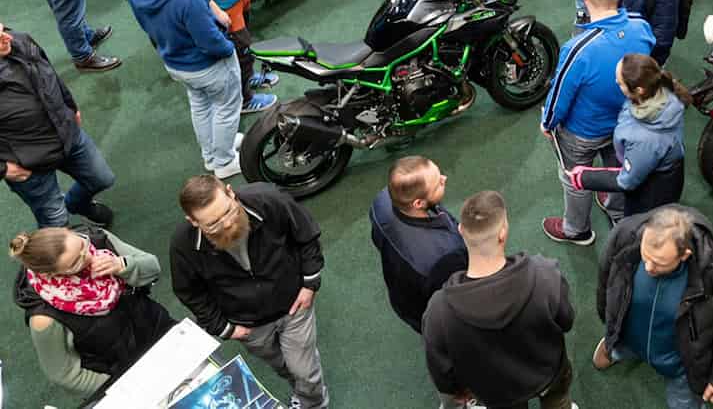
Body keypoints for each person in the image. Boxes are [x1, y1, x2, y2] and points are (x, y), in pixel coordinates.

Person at [171, 176, 330, 409]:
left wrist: (309, 283)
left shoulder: (269, 200)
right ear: (193, 221)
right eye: (213, 224)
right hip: (248, 325)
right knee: (284, 367)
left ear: (230, 192)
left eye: (228, 211)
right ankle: (302, 391)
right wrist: (223, 328)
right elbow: (189, 291)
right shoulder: (182, 245)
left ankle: (314, 404)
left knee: (304, 371)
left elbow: (306, 233)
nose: (227, 224)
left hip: (294, 306)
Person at [423, 190, 577, 408]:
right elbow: (566, 320)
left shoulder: (439, 310)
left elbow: (441, 368)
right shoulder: (545, 275)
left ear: (461, 230)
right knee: (558, 403)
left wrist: (456, 389)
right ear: (503, 232)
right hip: (548, 373)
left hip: (497, 391)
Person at [541, 0, 656, 245]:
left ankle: (576, 229)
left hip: (582, 132)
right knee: (617, 169)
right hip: (625, 123)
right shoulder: (641, 27)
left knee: (575, 178)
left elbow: (560, 94)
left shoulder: (578, 48)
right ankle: (617, 211)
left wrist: (548, 123)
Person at [594, 206, 713, 408]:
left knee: (683, 404)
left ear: (684, 255)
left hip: (679, 364)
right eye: (645, 256)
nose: (648, 268)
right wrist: (610, 326)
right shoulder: (625, 235)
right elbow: (606, 282)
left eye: (659, 263)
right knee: (621, 344)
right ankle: (616, 349)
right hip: (630, 336)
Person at [126, 0, 243, 177]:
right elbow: (210, 42)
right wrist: (229, 47)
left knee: (201, 105)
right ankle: (224, 162)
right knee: (226, 109)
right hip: (207, 66)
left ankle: (212, 153)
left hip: (175, 63)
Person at [10, 225, 175, 399]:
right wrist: (121, 387)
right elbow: (64, 374)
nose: (89, 256)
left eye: (83, 245)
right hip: (123, 374)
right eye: (75, 262)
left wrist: (122, 265)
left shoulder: (97, 238)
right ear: (50, 274)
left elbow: (153, 268)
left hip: (160, 331)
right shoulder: (44, 319)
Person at [0, 14, 118, 230]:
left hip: (67, 133)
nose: (7, 37)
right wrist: (4, 169)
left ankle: (76, 204)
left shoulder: (20, 40)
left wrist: (70, 106)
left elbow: (49, 73)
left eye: (2, 29)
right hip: (27, 164)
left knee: (101, 178)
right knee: (56, 222)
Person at [564, 52, 689, 215]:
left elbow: (627, 181)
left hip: (651, 192)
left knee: (637, 223)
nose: (616, 81)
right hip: (654, 170)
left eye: (620, 82)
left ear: (638, 90)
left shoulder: (646, 139)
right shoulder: (659, 92)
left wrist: (582, 177)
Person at [368, 155, 467, 333]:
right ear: (418, 203)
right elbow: (456, 302)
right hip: (429, 313)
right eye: (438, 184)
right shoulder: (445, 256)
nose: (444, 179)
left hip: (402, 297)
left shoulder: (382, 201)